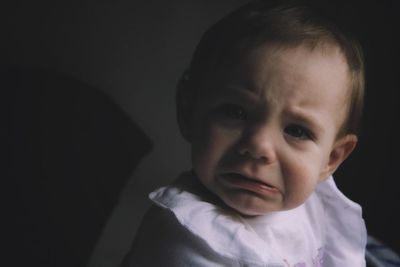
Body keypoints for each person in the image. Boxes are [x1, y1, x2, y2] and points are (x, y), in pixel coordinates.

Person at [122, 0, 368, 266]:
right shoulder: (185, 238)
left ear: (330, 159)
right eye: (236, 113)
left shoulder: (315, 205)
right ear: (188, 111)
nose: (259, 146)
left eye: (297, 130)